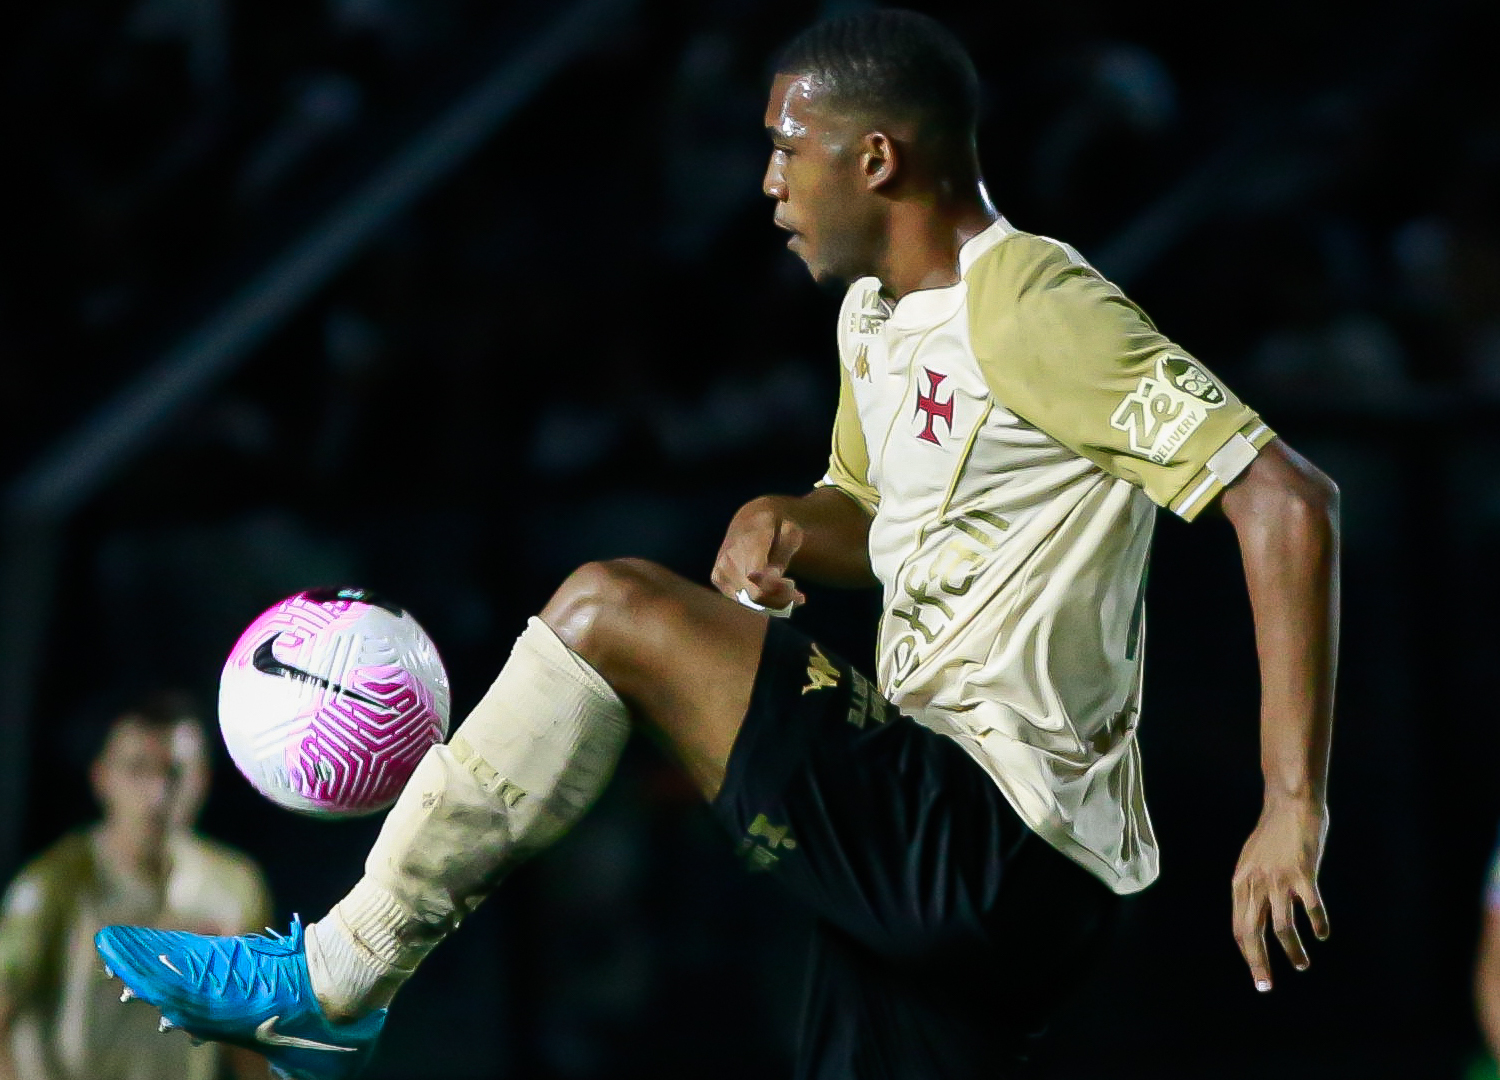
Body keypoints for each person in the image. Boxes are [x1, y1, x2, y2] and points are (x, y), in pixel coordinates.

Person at [93, 10, 1340, 1079]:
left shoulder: (1036, 303)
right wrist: (788, 522)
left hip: (1000, 832)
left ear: (878, 158)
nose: (768, 184)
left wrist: (1292, 809)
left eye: (787, 150)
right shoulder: (878, 315)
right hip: (950, 847)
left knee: (607, 608)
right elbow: (873, 515)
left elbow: (1286, 500)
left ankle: (339, 974)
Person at [0, 693, 273, 1080]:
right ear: (102, 777)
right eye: (137, 769)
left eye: (175, 772)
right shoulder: (54, 885)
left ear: (203, 779)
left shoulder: (234, 887)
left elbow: (250, 1027)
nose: (158, 795)